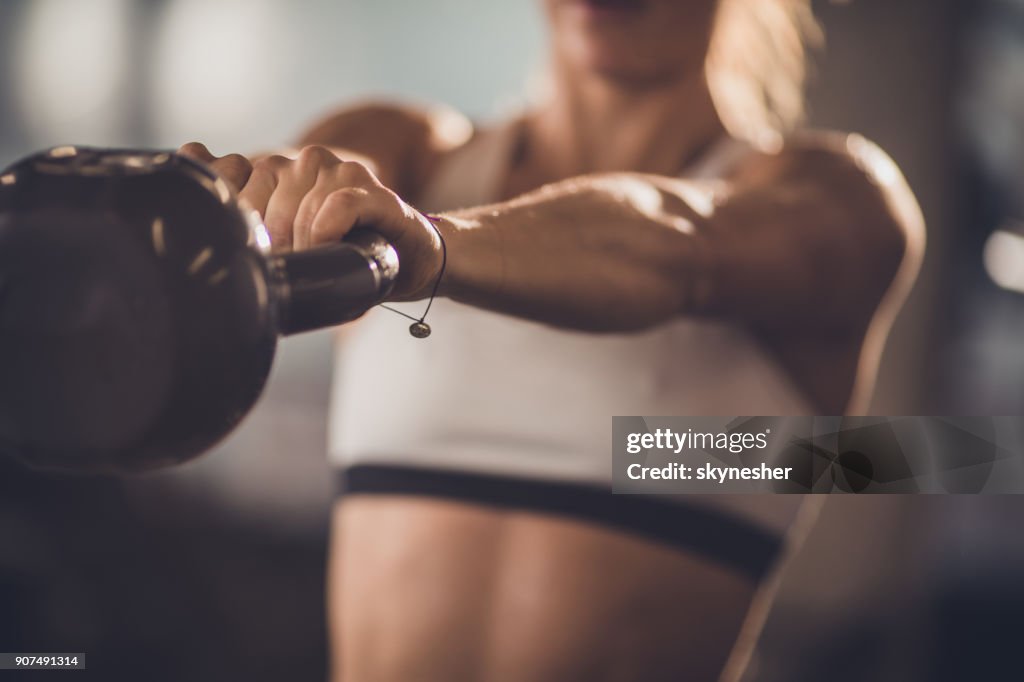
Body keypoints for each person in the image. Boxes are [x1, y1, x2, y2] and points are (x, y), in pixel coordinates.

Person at [180, 0, 924, 679]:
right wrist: (270, 202)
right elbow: (327, 183)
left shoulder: (840, 200)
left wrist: (431, 249)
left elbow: (673, 240)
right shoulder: (404, 151)